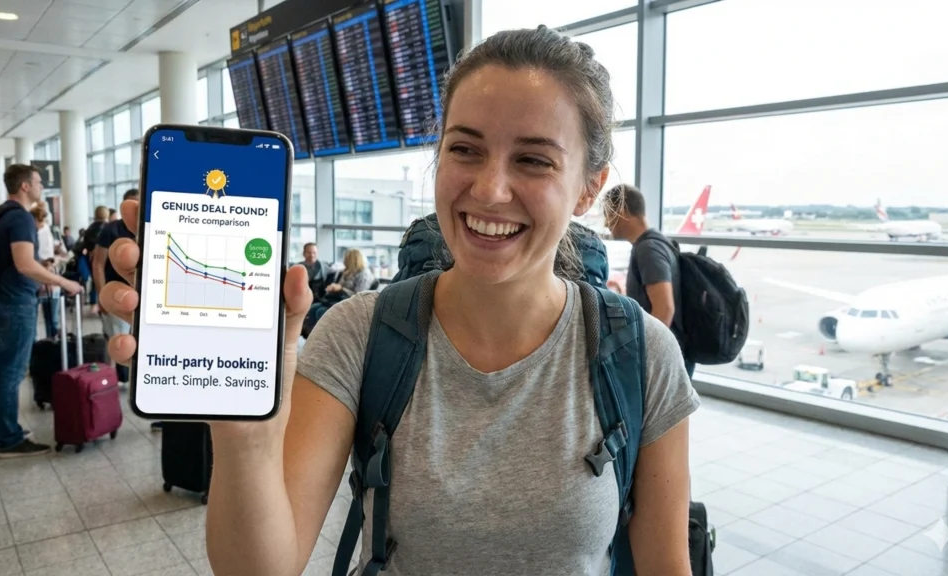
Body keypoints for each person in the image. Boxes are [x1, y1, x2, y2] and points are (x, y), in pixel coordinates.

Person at [101, 26, 697, 575]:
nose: (489, 189)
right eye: (464, 149)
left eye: (533, 160)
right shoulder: (360, 334)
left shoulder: (640, 354)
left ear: (589, 189)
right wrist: (245, 434)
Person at [0, 164, 83, 458]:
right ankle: (9, 439)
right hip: (13, 303)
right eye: (38, 182)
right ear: (24, 186)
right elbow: (24, 263)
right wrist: (64, 282)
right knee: (10, 372)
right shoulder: (21, 218)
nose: (41, 187)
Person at [602, 183, 693, 377]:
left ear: (622, 211)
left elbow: (665, 308)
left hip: (665, 358)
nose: (606, 223)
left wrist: (645, 356)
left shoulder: (648, 249)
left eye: (609, 214)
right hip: (674, 351)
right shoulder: (658, 242)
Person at [92, 189, 139, 388]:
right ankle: (122, 379)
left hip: (143, 295)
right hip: (118, 291)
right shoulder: (112, 229)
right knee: (119, 337)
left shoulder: (150, 228)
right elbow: (98, 263)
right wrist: (102, 295)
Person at [30, 203, 61, 339]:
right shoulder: (46, 232)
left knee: (50, 318)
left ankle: (48, 345)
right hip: (44, 275)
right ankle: (47, 344)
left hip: (45, 274)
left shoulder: (43, 232)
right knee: (50, 318)